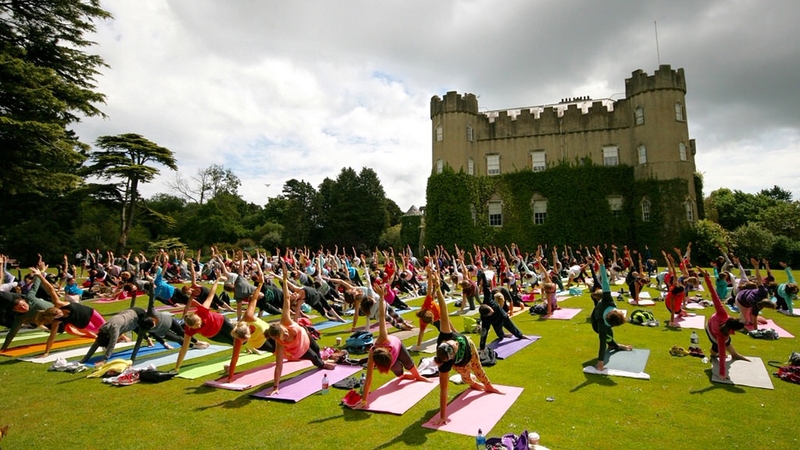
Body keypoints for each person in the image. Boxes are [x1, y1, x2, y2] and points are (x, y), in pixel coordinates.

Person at [432, 270, 503, 426]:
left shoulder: (444, 336)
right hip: (461, 363)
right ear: (451, 357)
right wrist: (443, 416)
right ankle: (473, 384)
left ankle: (489, 386)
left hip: (470, 348)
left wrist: (437, 288)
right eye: (454, 345)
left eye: (452, 342)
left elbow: (444, 310)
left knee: (479, 371)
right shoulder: (445, 366)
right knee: (467, 378)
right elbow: (443, 391)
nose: (454, 342)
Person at [356, 281, 429, 409]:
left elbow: (382, 316)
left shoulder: (383, 338)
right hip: (390, 357)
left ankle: (418, 376)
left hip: (398, 346)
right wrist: (364, 401)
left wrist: (382, 298)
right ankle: (407, 375)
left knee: (409, 364)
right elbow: (368, 379)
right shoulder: (372, 356)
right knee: (400, 375)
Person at [266, 263, 335, 396]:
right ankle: (322, 364)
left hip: (305, 336)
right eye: (284, 336)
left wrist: (285, 280)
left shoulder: (285, 320)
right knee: (314, 358)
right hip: (299, 350)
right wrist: (275, 386)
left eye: (284, 331)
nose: (286, 334)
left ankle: (322, 360)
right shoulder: (279, 344)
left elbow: (286, 299)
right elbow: (278, 366)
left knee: (316, 348)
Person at [32, 267, 105, 357]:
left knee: (107, 326)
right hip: (84, 323)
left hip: (90, 312)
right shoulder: (56, 322)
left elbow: (50, 289)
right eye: (57, 315)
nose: (60, 314)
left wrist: (40, 275)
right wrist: (46, 352)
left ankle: (122, 337)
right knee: (100, 330)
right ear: (54, 318)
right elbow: (51, 337)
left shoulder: (59, 303)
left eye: (58, 311)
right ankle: (114, 338)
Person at [174, 276, 236, 371]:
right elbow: (184, 349)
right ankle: (234, 361)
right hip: (213, 334)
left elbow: (211, 294)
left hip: (222, 322)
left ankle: (250, 348)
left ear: (198, 318)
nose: (199, 326)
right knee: (233, 342)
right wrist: (177, 367)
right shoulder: (189, 329)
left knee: (238, 337)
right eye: (196, 327)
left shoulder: (202, 310)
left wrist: (217, 279)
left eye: (199, 323)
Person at [226, 264, 275, 382]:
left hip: (268, 330)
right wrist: (230, 378)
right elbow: (234, 358)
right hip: (260, 342)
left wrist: (260, 284)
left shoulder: (248, 316)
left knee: (284, 343)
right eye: (245, 341)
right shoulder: (238, 337)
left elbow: (253, 299)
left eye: (246, 339)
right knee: (276, 350)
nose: (244, 342)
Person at [700, 269, 748, 381]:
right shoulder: (722, 336)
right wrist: (722, 373)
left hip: (716, 324)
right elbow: (722, 355)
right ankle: (712, 353)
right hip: (710, 329)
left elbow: (714, 294)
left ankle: (735, 354)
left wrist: (707, 278)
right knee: (715, 351)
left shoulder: (723, 313)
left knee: (727, 342)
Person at [591, 247, 632, 371]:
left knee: (610, 335)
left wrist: (602, 263)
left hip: (604, 314)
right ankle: (617, 346)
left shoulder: (608, 299)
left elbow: (605, 281)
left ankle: (616, 345)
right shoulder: (601, 324)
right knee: (607, 338)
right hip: (595, 322)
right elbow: (601, 345)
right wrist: (600, 363)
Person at [734, 258, 774, 329]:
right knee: (744, 321)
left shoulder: (763, 291)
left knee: (751, 317)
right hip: (740, 300)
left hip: (747, 295)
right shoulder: (756, 305)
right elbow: (754, 316)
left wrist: (756, 267)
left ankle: (749, 320)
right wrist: (756, 330)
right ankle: (734, 324)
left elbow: (759, 278)